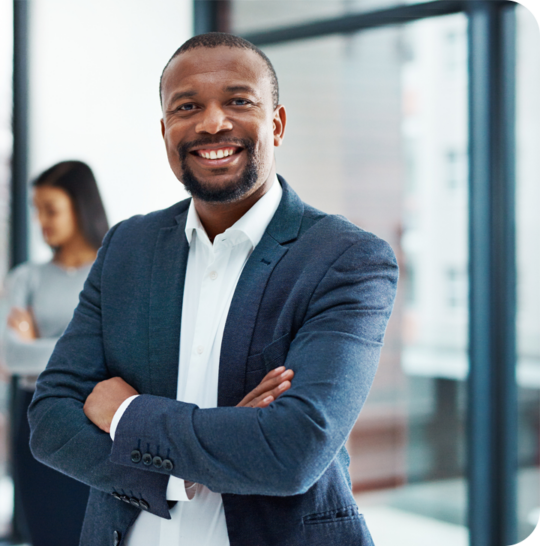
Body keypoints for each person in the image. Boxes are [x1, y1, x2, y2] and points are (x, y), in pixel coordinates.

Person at [28, 32, 398, 546]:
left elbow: (294, 450)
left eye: (238, 100)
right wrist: (186, 469)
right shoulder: (127, 247)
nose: (211, 122)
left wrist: (127, 416)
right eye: (187, 107)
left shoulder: (345, 258)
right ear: (165, 131)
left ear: (277, 122)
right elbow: (51, 420)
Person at [0, 160, 108, 546]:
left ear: (80, 206)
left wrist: (40, 344)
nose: (42, 220)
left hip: (97, 423)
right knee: (45, 532)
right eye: (37, 209)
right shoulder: (26, 278)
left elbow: (113, 354)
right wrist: (82, 348)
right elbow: (10, 356)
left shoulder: (113, 272)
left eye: (51, 209)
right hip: (35, 419)